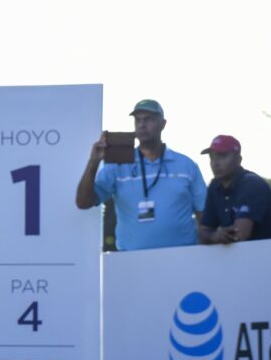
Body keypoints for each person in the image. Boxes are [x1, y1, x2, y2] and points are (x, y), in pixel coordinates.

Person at [76, 99, 206, 250]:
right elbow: (83, 203)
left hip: (182, 256)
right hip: (133, 260)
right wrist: (93, 162)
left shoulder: (186, 165)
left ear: (163, 124)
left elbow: (204, 216)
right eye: (138, 120)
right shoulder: (117, 165)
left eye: (148, 119)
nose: (142, 125)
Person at [198, 135, 271, 243]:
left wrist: (215, 235)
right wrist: (213, 236)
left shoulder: (252, 184)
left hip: (265, 252)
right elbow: (202, 233)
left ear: (238, 159)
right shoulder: (215, 185)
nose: (215, 162)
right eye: (212, 156)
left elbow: (240, 234)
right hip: (243, 253)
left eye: (222, 155)